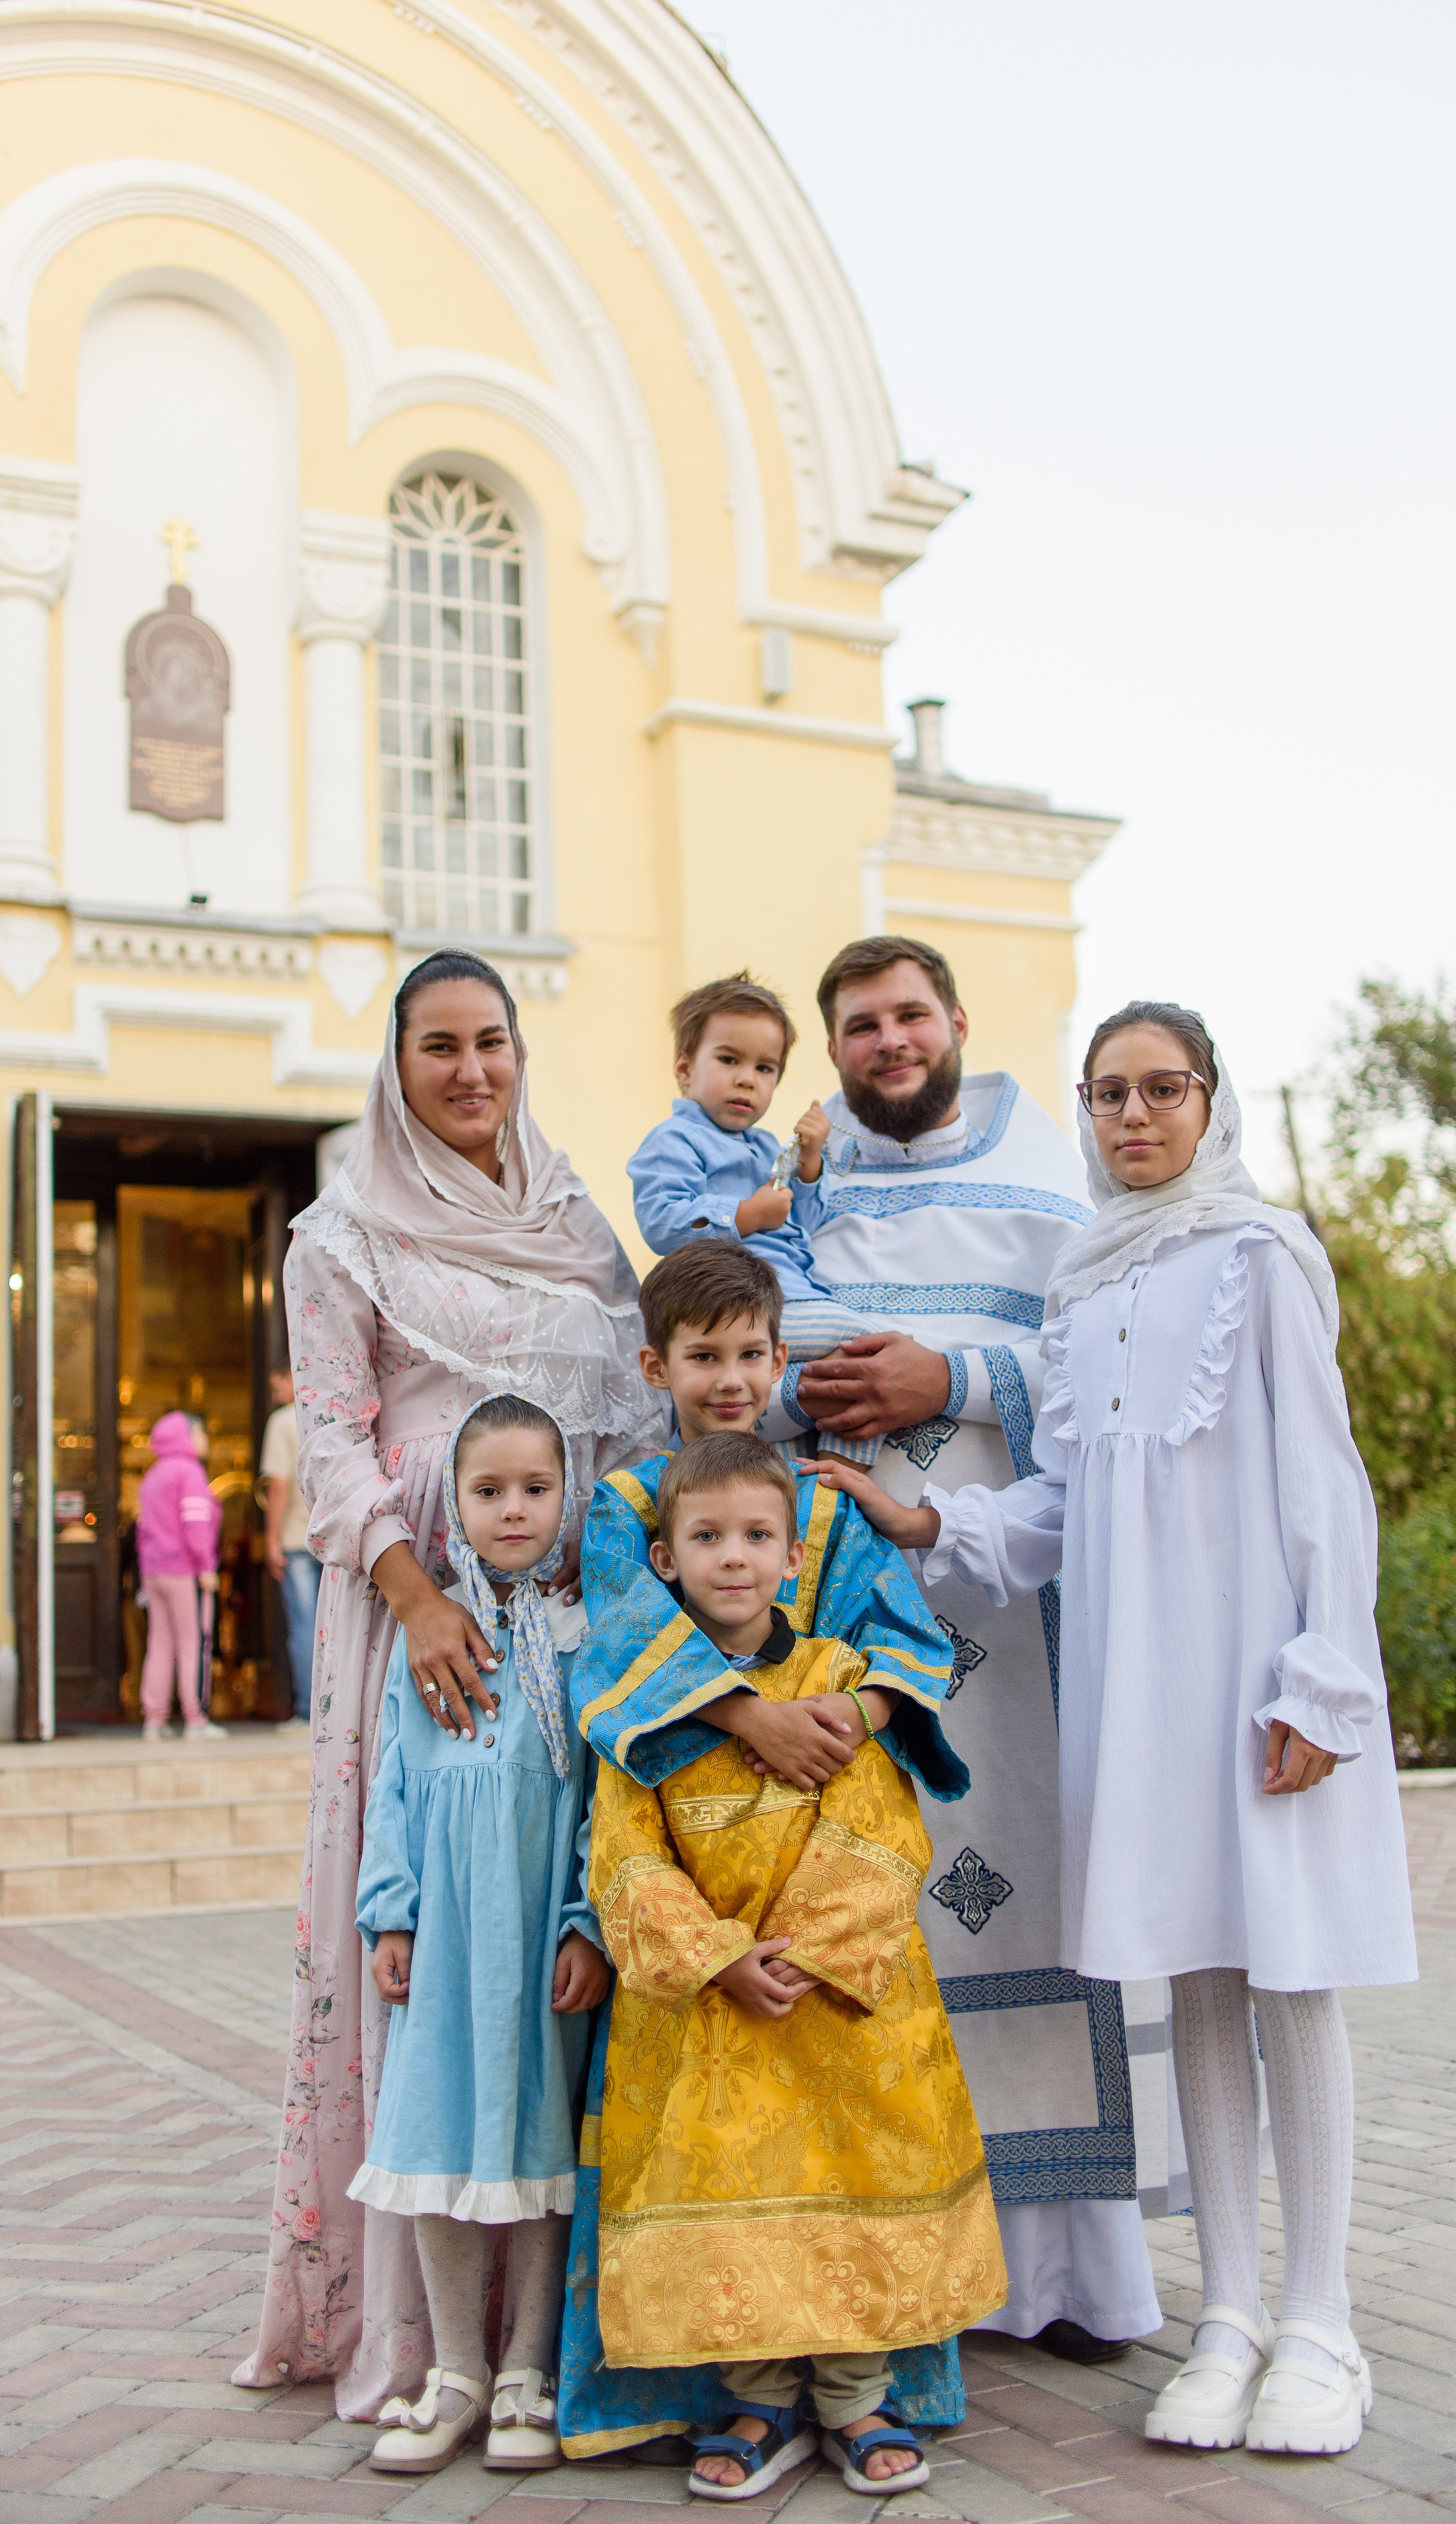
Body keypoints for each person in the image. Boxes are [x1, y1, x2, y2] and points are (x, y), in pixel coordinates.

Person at [821, 1002, 1416, 2458]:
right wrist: (931, 1517)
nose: (1132, 1116)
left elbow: (1321, 1479)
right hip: (1137, 1686)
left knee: (1289, 1981)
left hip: (1261, 1676)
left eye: (1161, 1090)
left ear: (1211, 1102)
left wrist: (1322, 1677)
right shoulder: (1081, 1289)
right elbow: (1063, 1508)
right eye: (1107, 1093)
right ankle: (1224, 2319)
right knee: (1197, 1985)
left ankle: (1320, 2323)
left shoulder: (1259, 1257)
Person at [232, 948, 660, 2421]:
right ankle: (430, 2338)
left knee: (555, 1946)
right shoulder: (341, 1236)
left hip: (568, 1627)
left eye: (491, 1042)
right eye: (437, 1047)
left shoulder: (573, 1222)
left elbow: (641, 1401)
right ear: (395, 1066)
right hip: (422, 1635)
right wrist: (413, 1594)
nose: (470, 1071)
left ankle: (552, 2337)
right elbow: (337, 1441)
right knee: (421, 1944)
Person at [770, 936, 1161, 2359]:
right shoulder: (809, 1194)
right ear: (835, 1049)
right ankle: (912, 2273)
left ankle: (1066, 2278)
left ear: (955, 1024)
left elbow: (1120, 1358)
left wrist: (955, 1375)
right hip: (850, 1606)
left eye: (907, 1015)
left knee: (1026, 1900)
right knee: (892, 1915)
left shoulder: (1053, 1177)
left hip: (1016, 1596)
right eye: (859, 1023)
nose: (887, 1041)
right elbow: (737, 1345)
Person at [559, 1241, 966, 2463]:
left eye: (750, 1354)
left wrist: (852, 1718)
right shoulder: (631, 1507)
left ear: (777, 1356)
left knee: (851, 2155)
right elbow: (619, 1655)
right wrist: (749, 1716)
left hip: (833, 1866)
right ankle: (739, 2396)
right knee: (712, 2164)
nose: (730, 1378)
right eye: (704, 1356)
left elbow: (903, 1645)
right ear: (658, 1365)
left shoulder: (831, 1507)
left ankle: (859, 2395)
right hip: (697, 1858)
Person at [352, 1396, 610, 2478]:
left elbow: (609, 1795)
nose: (514, 1509)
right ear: (454, 1502)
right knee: (436, 2131)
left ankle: (526, 2372)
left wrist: (589, 1921)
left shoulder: (589, 1636)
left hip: (542, 1930)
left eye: (535, 1488)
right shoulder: (433, 1634)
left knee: (541, 2145)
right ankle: (455, 2368)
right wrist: (392, 1908)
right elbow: (395, 1782)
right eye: (489, 1489)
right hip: (450, 1935)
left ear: (568, 1497)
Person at [626, 973, 887, 1462]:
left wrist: (809, 1164)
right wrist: (742, 1215)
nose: (748, 1078)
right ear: (685, 1068)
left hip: (790, 1299)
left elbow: (800, 1225)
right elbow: (661, 1221)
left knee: (785, 1427)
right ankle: (838, 1476)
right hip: (735, 1306)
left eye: (765, 1068)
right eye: (729, 1060)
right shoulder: (676, 1139)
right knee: (870, 1348)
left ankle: (804, 1486)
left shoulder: (768, 1148)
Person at [134, 1408, 225, 1742]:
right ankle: (195, 1719)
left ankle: (154, 1721)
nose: (205, 1440)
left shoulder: (153, 1476)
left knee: (159, 1645)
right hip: (185, 1571)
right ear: (186, 1437)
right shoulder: (189, 1473)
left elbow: (142, 1530)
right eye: (200, 1433)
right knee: (194, 1643)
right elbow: (196, 1524)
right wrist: (206, 1566)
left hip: (155, 1571)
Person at [260, 1361, 320, 1723]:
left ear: (293, 1376)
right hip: (334, 1539)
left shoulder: (283, 1420)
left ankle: (307, 1711)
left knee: (304, 1627)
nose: (274, 1392)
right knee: (337, 1623)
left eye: (276, 1382)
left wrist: (271, 1539)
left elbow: (278, 1485)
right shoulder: (329, 1412)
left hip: (297, 1538)